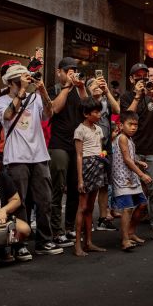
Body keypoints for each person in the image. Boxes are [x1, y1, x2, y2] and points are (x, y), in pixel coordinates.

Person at [0, 64, 62, 258]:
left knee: (45, 200)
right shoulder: (1, 101)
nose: (23, 82)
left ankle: (44, 241)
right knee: (19, 202)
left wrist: (42, 91)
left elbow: (49, 113)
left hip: (39, 155)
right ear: (11, 82)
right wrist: (22, 91)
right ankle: (19, 244)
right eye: (19, 80)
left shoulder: (36, 98)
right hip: (16, 157)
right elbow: (7, 116)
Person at [119, 63, 153, 242]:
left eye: (145, 77)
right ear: (132, 79)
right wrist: (138, 97)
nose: (143, 80)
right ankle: (129, 231)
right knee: (133, 192)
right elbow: (126, 118)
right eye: (138, 77)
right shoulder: (126, 97)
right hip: (133, 149)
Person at [47, 57, 89, 248]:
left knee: (75, 187)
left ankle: (70, 226)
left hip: (76, 145)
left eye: (74, 70)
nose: (71, 73)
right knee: (58, 187)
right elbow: (54, 108)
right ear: (60, 72)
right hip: (58, 145)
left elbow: (89, 108)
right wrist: (67, 87)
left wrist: (80, 87)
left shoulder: (77, 89)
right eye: (68, 70)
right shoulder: (54, 90)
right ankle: (56, 230)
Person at [73, 98, 109, 256]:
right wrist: (80, 179)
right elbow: (79, 155)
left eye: (99, 111)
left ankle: (88, 242)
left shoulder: (98, 129)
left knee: (89, 208)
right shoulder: (80, 130)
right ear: (86, 114)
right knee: (82, 207)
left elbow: (100, 150)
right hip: (86, 166)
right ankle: (77, 245)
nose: (99, 114)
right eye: (95, 112)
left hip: (97, 165)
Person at [112, 111, 151, 252]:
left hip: (130, 178)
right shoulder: (122, 137)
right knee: (127, 209)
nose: (134, 127)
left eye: (136, 125)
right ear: (121, 125)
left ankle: (131, 232)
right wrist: (142, 174)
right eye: (130, 124)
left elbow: (128, 156)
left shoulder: (129, 139)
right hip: (123, 179)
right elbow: (126, 160)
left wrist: (138, 161)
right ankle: (125, 240)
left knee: (142, 204)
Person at [87, 76, 120, 231]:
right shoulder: (85, 102)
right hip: (90, 147)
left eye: (98, 84)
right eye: (92, 84)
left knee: (105, 184)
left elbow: (118, 110)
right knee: (90, 185)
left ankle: (102, 219)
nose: (97, 86)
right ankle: (87, 220)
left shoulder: (106, 101)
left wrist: (107, 91)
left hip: (106, 147)